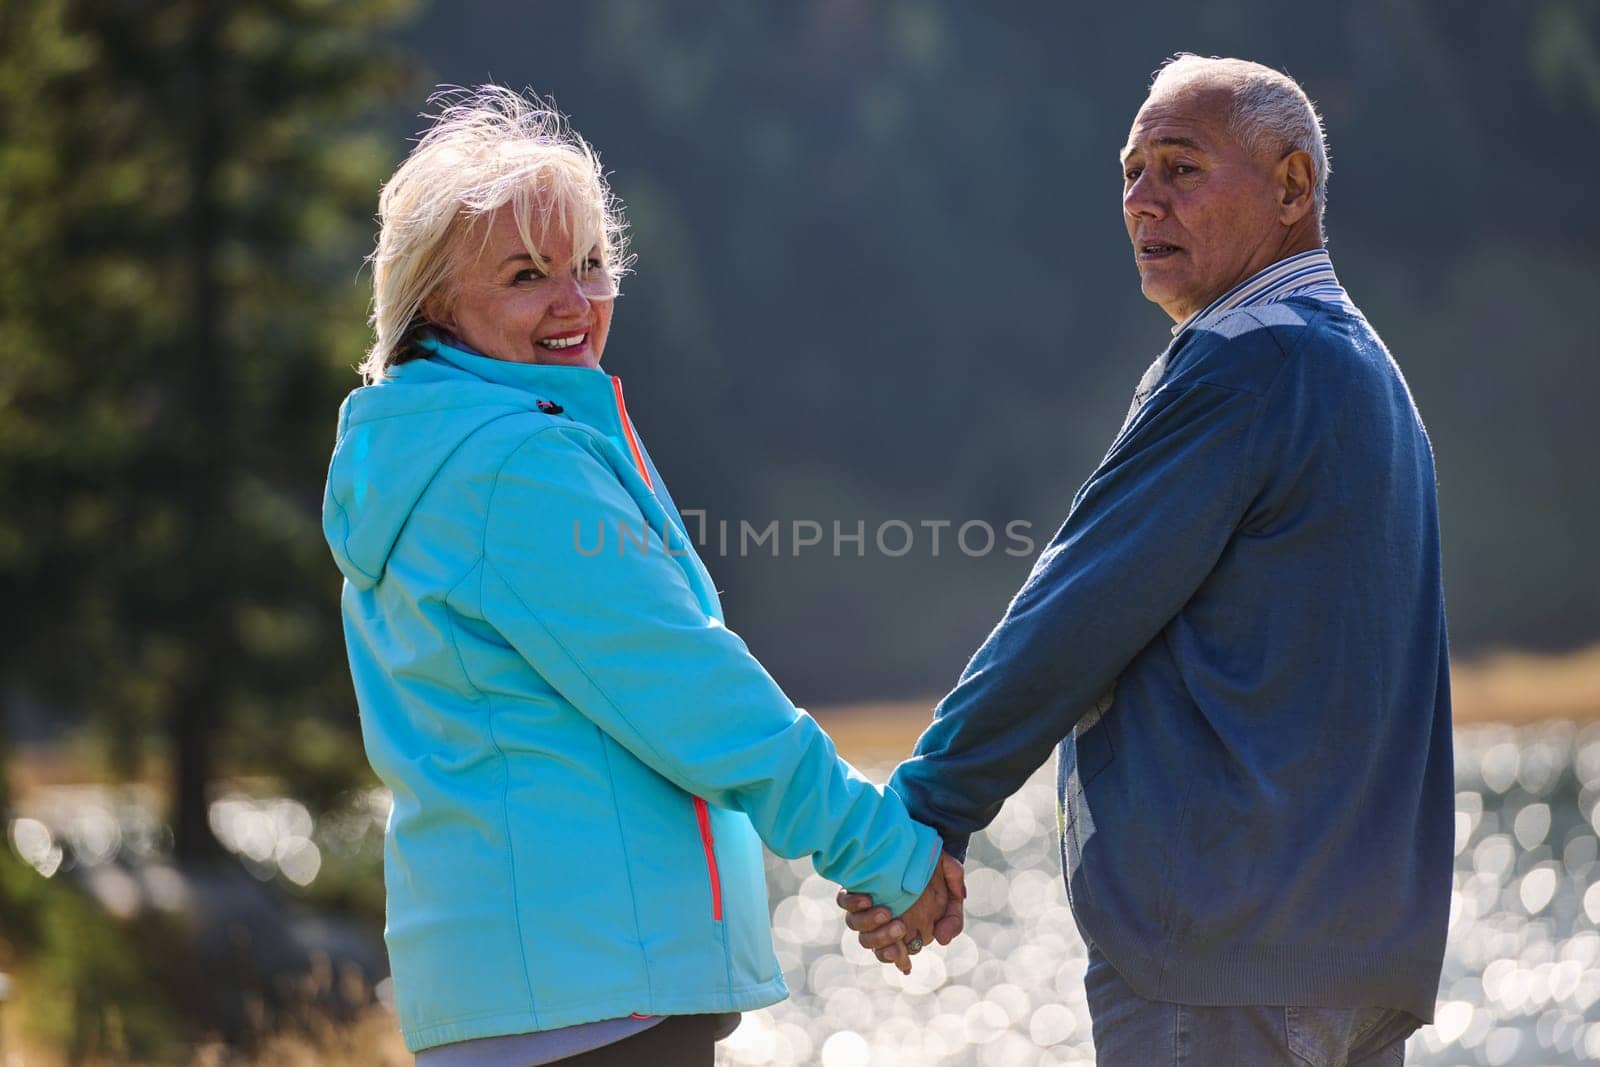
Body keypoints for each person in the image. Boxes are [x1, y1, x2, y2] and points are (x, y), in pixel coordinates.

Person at [320, 86, 962, 1066]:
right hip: (593, 1002)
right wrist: (885, 850)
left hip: (512, 999)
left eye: (588, 263)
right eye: (528, 274)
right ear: (438, 302)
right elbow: (694, 694)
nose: (575, 301)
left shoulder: (425, 452)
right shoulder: (511, 465)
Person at [838, 54, 1452, 1066]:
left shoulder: (1249, 357)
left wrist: (924, 812)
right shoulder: (1360, 365)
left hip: (1225, 963)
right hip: (1350, 960)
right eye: (1130, 172)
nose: (1142, 201)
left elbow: (1075, 609)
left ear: (1293, 187)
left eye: (1180, 167)